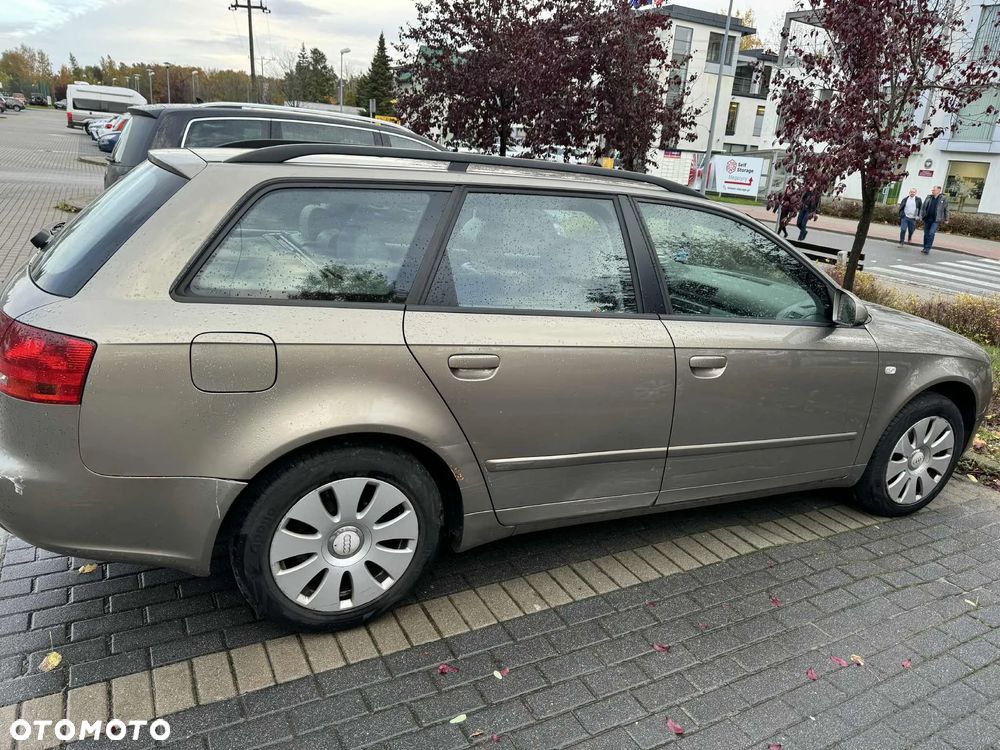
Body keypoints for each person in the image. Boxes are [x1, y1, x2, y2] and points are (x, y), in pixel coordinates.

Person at [921, 185, 950, 254]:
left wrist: (946, 218)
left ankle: (928, 248)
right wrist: (921, 215)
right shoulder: (929, 197)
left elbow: (946, 209)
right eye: (932, 190)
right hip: (927, 218)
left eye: (934, 190)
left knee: (931, 233)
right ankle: (925, 247)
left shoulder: (943, 198)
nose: (932, 191)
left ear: (938, 191)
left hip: (936, 220)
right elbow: (923, 207)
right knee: (926, 234)